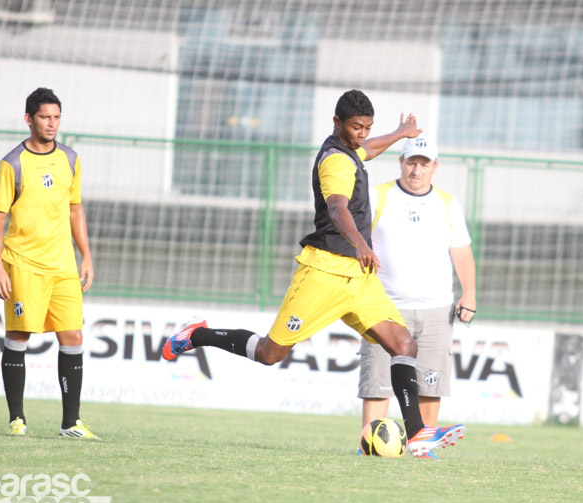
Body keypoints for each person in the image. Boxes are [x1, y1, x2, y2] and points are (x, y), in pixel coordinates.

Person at [163, 89, 465, 457]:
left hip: (359, 279)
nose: (363, 135)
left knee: (403, 344)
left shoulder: (351, 149)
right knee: (270, 353)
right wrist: (361, 243)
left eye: (367, 128)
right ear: (337, 123)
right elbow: (338, 209)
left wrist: (399, 135)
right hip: (324, 272)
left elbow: (367, 151)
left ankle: (417, 432)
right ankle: (199, 335)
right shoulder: (335, 162)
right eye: (357, 127)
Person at [0, 87, 97, 439]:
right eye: (45, 117)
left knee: (74, 335)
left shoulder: (70, 159)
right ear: (29, 119)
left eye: (56, 117)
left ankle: (71, 423)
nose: (52, 124)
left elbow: (75, 208)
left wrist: (86, 256)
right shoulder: (12, 164)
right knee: (20, 335)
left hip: (63, 265)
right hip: (23, 263)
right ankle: (16, 419)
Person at [357, 135, 476, 458]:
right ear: (401, 162)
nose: (417, 169)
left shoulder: (449, 203)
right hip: (384, 306)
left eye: (424, 163)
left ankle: (423, 447)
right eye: (411, 162)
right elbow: (355, 238)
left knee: (429, 383)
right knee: (377, 381)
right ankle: (369, 446)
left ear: (435, 167)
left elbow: (461, 251)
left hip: (436, 309)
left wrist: (470, 294)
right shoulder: (377, 195)